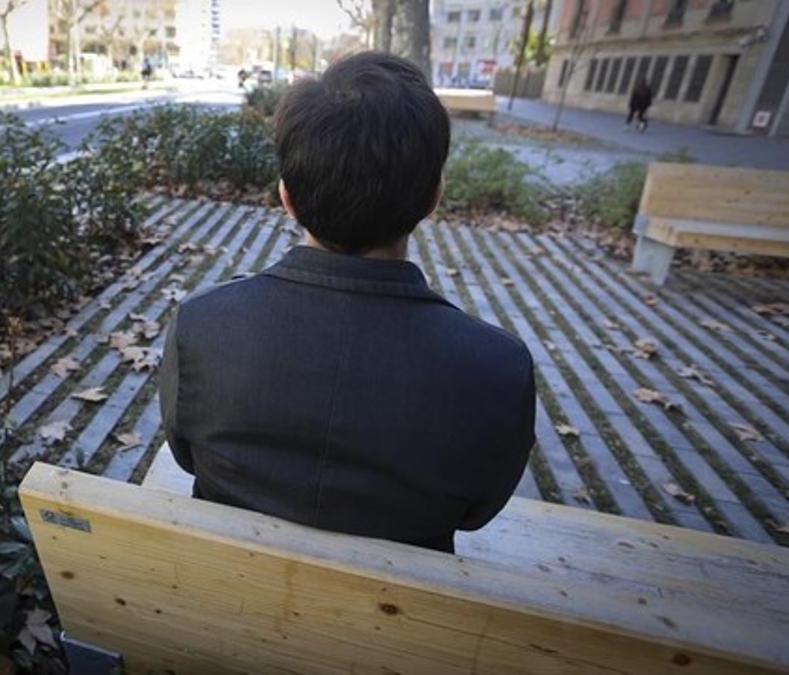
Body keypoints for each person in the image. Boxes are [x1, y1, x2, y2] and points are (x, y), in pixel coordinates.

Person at [157, 52, 536, 554]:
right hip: (399, 621)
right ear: (433, 198)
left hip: (226, 606)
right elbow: (476, 514)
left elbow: (186, 458)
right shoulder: (499, 368)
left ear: (286, 197)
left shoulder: (201, 326)